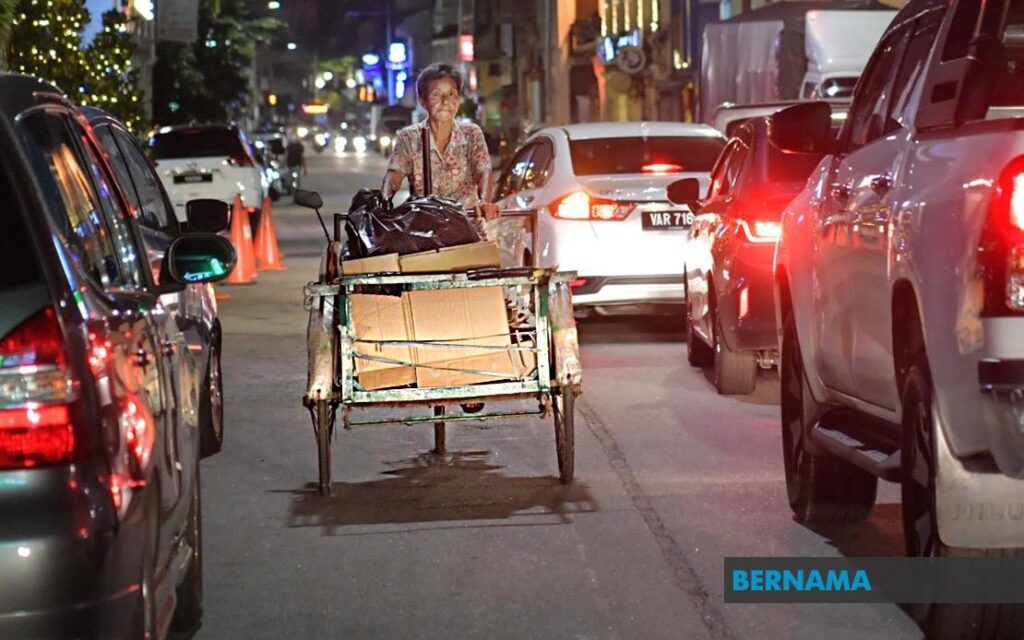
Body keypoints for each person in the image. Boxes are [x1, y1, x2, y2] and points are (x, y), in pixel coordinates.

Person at [382, 63, 500, 220]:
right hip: (424, 225)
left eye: (451, 94)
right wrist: (382, 203)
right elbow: (395, 174)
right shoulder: (409, 137)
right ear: (423, 100)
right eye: (436, 95)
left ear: (458, 99)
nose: (445, 102)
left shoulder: (471, 133)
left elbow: (483, 171)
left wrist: (485, 202)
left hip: (467, 224)